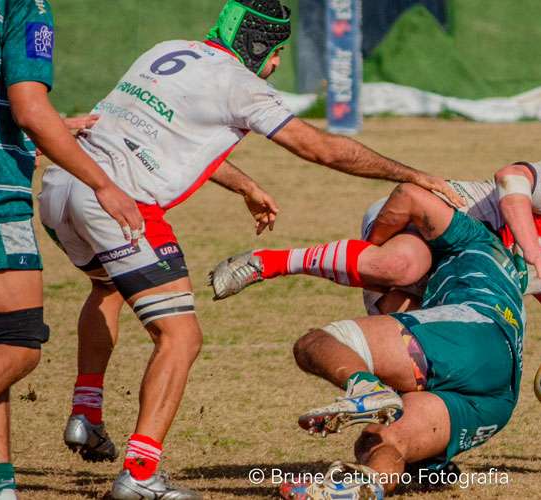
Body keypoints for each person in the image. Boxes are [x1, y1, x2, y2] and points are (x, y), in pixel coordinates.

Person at [37, 0, 461, 498]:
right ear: (260, 46)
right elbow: (321, 148)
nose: (278, 63)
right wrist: (411, 174)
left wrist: (244, 186)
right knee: (181, 337)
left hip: (63, 184)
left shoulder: (168, 50)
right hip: (118, 201)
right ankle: (141, 473)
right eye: (276, 51)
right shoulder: (244, 86)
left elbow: (169, 136)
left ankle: (86, 411)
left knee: (104, 288)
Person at [210, 161, 541, 413]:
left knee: (414, 361)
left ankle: (415, 458)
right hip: (423, 224)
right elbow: (511, 179)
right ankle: (266, 262)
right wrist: (534, 249)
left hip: (447, 279)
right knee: (400, 265)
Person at [276, 184, 541, 499]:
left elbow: (409, 194)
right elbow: (409, 341)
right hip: (497, 397)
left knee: (318, 343)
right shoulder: (493, 270)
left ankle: (366, 388)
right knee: (379, 443)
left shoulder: (475, 237)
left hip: (475, 333)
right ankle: (363, 486)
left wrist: (374, 247)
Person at [0, 1, 142, 498]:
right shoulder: (23, 4)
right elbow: (29, 109)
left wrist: (47, 131)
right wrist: (103, 184)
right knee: (18, 344)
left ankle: (0, 487)